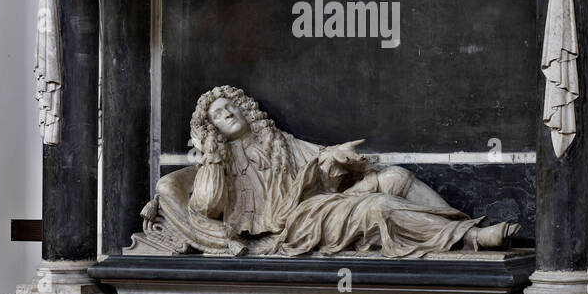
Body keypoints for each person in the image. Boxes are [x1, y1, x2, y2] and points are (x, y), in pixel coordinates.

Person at [136, 85, 515, 260]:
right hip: (288, 227)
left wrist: (337, 155)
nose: (227, 115)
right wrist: (213, 156)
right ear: (212, 127)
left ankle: (463, 230)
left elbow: (315, 157)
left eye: (230, 107)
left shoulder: (275, 140)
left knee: (395, 175)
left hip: (310, 204)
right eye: (217, 115)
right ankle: (470, 240)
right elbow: (207, 207)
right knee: (376, 207)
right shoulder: (217, 162)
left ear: (244, 108)